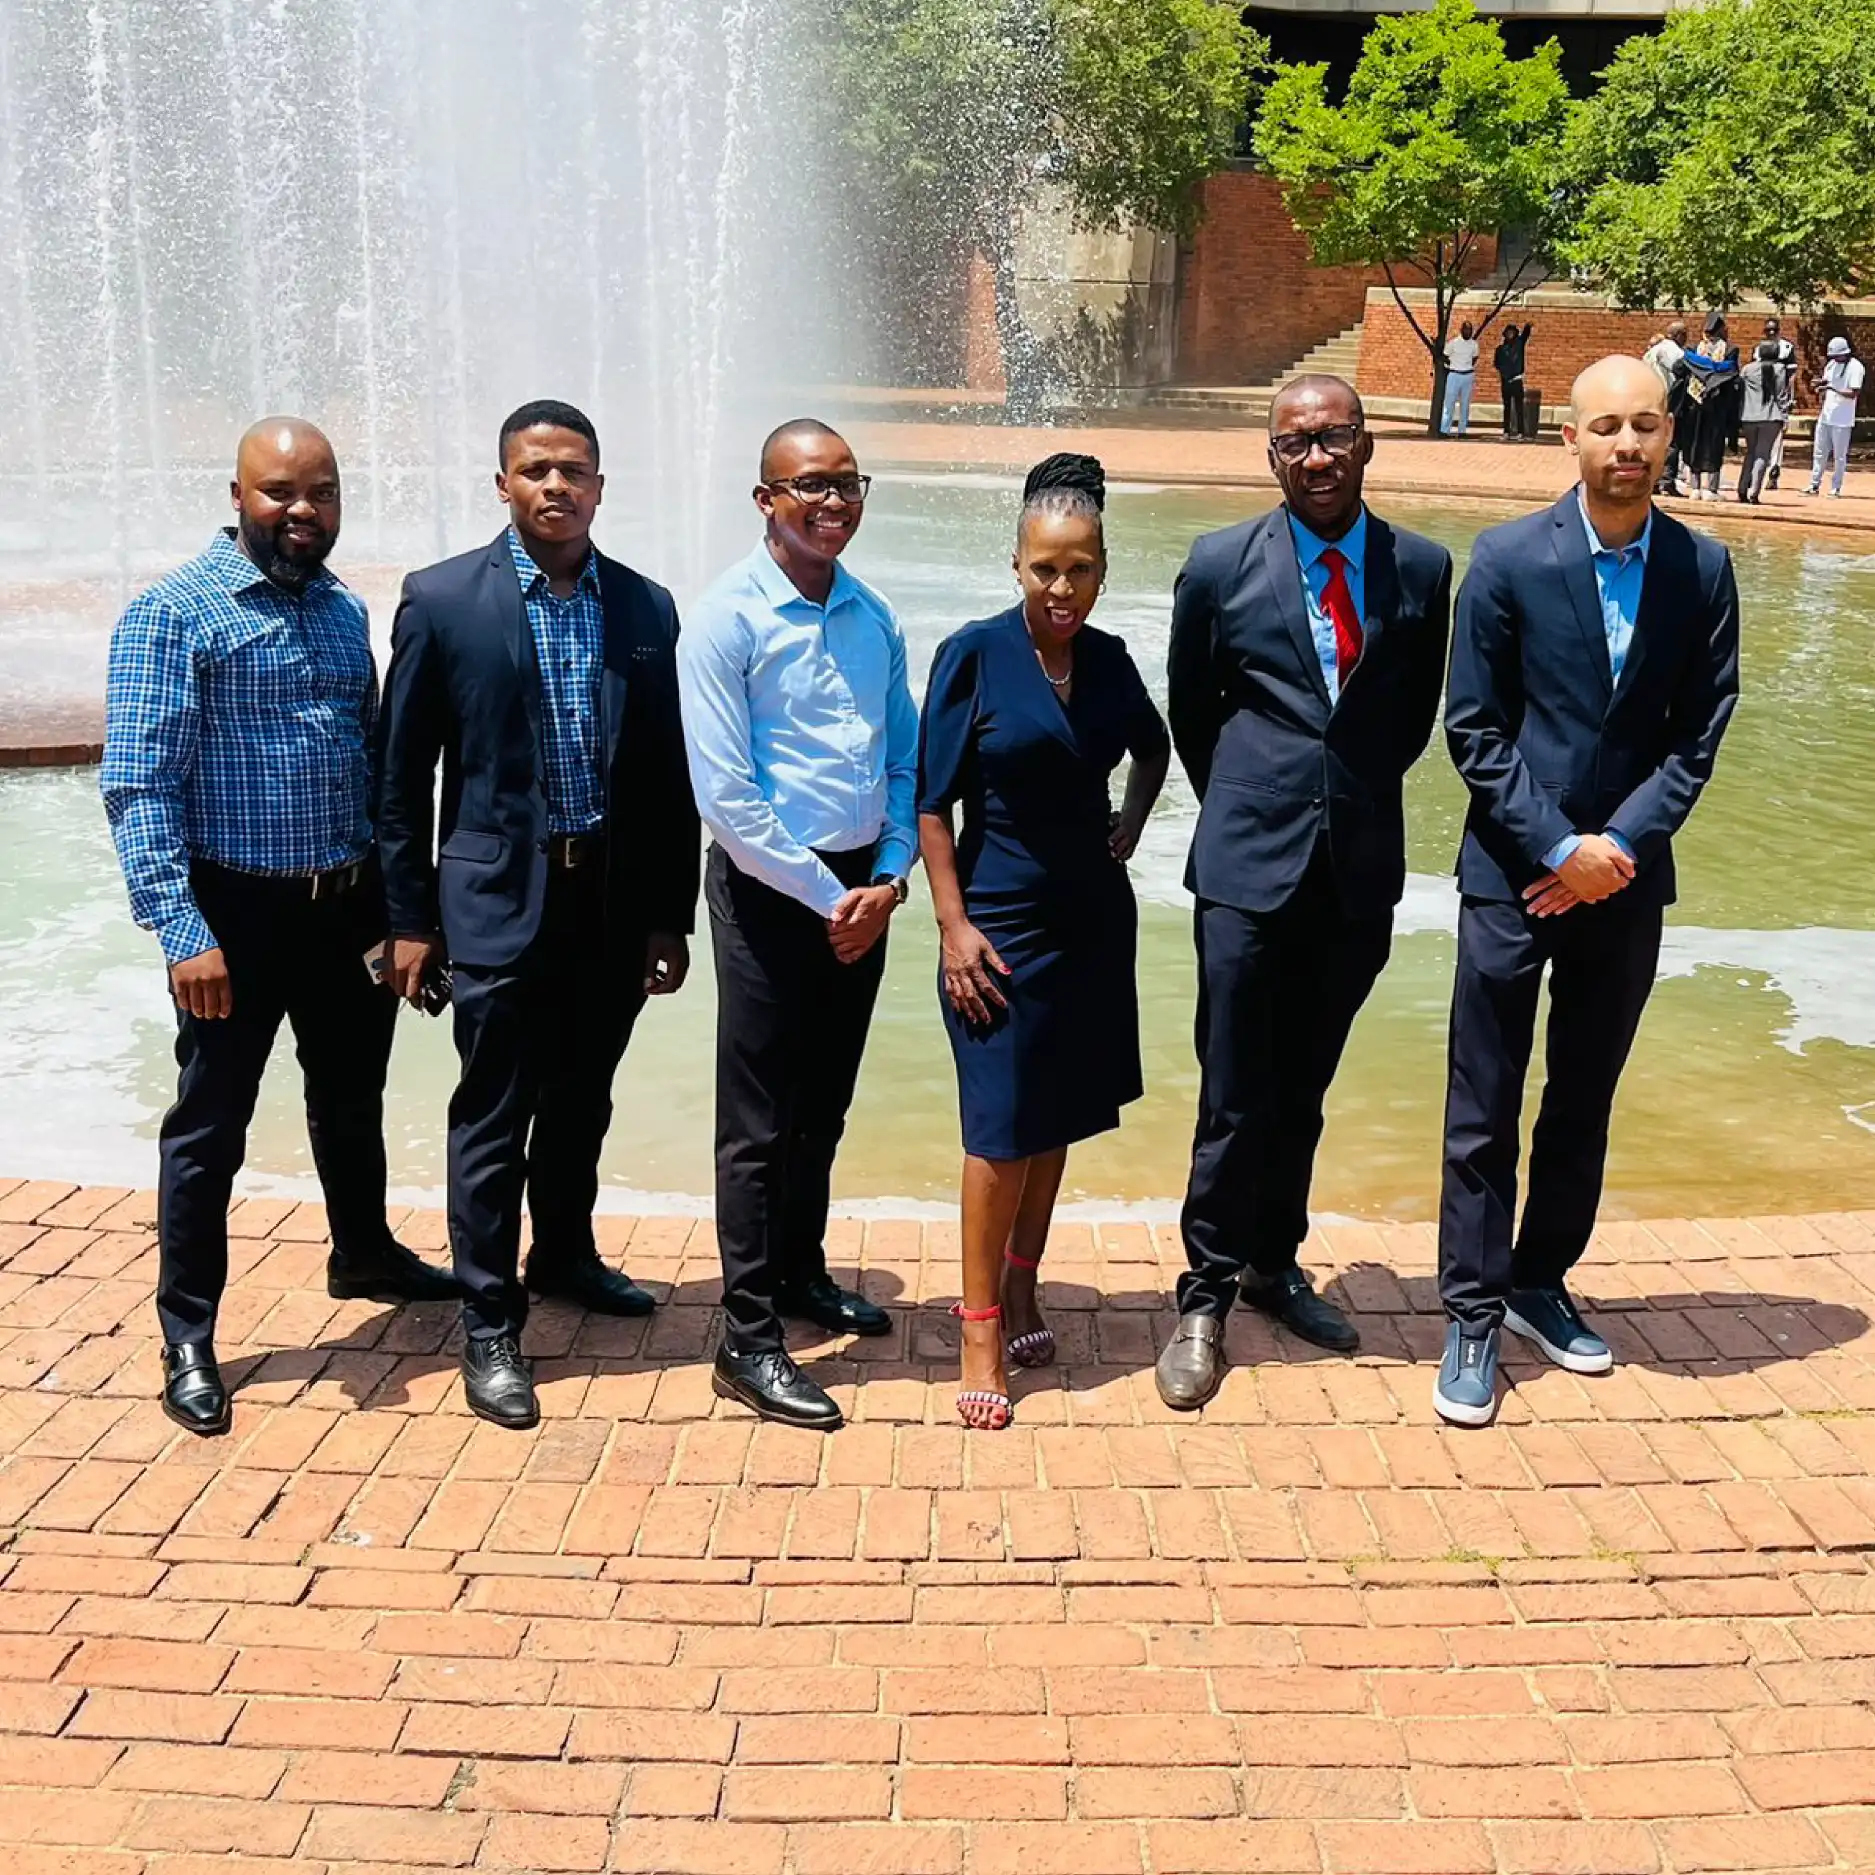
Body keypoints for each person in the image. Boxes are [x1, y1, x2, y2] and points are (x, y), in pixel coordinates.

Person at [101, 419, 456, 1437]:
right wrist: (181, 930)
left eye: (323, 493)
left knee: (352, 1096)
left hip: (342, 906)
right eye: (280, 493)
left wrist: (398, 916)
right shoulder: (174, 615)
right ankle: (188, 1331)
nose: (304, 512)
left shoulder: (344, 610)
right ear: (238, 494)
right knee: (210, 1125)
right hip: (234, 914)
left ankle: (363, 1252)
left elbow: (373, 774)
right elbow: (138, 787)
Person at [376, 400, 698, 1431]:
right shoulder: (443, 601)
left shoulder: (646, 609)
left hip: (605, 901)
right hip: (492, 903)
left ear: (601, 486)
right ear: (503, 484)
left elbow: (665, 778)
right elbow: (400, 780)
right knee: (493, 1109)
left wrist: (666, 916)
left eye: (576, 470)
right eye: (536, 469)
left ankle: (564, 1254)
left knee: (583, 1097)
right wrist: (410, 919)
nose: (557, 486)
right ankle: (487, 1316)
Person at [1434, 355, 1739, 1427]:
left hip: (1627, 883)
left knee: (1582, 1096)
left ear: (1668, 437)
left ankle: (1535, 1283)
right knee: (1484, 1104)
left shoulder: (1703, 571)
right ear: (1568, 436)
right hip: (1512, 878)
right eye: (1606, 424)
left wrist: (1617, 848)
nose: (1627, 443)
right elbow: (1472, 728)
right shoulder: (1509, 558)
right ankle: (1470, 1312)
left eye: (1645, 426)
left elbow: (1700, 733)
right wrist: (1558, 848)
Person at [1155, 377, 1453, 1411]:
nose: (1317, 459)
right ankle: (1202, 1298)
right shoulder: (1219, 565)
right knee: (1234, 1087)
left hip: (1357, 866)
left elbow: (1408, 719)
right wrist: (1257, 797)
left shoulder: (1421, 567)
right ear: (1270, 457)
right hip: (1244, 863)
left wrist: (1344, 799)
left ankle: (1274, 1266)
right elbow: (1195, 712)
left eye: (1333, 439)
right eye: (1296, 444)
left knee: (1305, 1089)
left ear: (1367, 445)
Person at [918, 455, 1170, 1431]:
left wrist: (1134, 825)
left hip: (1091, 922)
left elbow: (1153, 747)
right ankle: (979, 1326)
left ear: (1103, 567)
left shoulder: (1107, 659)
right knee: (997, 1129)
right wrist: (951, 926)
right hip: (997, 922)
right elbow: (931, 802)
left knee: (1055, 1114)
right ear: (1015, 565)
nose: (1063, 590)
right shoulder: (973, 655)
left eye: (1082, 569)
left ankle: (1024, 1287)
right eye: (1044, 571)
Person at [679, 420, 917, 1431]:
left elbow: (906, 761)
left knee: (823, 1102)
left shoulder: (874, 616)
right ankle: (748, 1336)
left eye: (846, 485)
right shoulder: (727, 620)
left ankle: (802, 1271)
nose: (832, 503)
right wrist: (835, 900)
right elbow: (727, 800)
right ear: (766, 500)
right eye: (808, 486)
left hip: (865, 892)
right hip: (773, 896)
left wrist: (893, 878)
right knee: (759, 1123)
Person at [1683, 314, 1740, 501]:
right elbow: (1728, 371)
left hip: (1695, 402)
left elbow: (1685, 368)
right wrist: (1715, 369)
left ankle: (1696, 487)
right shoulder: (1730, 350)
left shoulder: (1692, 352)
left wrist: (1704, 368)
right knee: (1712, 444)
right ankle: (1710, 490)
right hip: (1715, 405)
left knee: (1696, 444)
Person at [1735, 339, 1794, 505]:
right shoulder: (1779, 369)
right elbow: (1781, 396)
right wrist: (1785, 417)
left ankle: (1742, 488)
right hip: (1771, 417)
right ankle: (1754, 491)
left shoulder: (1748, 369)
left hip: (1749, 416)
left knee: (1750, 453)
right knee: (1763, 454)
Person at [1808, 335, 1864, 498]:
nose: (1835, 359)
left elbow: (1853, 393)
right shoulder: (1832, 365)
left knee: (1839, 456)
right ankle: (1814, 484)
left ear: (1845, 353)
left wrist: (1832, 388)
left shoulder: (1856, 367)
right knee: (1819, 452)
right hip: (1826, 415)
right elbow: (1827, 380)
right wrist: (1819, 384)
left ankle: (1835, 487)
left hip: (1842, 419)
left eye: (1837, 356)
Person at [1645, 321, 1692, 495]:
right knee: (1671, 442)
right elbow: (1680, 370)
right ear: (1679, 335)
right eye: (1685, 335)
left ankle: (1654, 481)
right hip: (1670, 401)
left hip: (1650, 402)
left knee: (1652, 442)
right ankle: (1667, 481)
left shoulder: (1652, 351)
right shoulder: (1673, 351)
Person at [1760, 318, 1797, 488]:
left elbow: (1791, 377)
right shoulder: (1758, 349)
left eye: (1774, 330)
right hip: (1761, 399)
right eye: (1768, 330)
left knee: (1777, 438)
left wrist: (1791, 398)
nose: (1771, 333)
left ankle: (1774, 471)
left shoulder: (1786, 348)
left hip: (1779, 398)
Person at [1441, 321, 1479, 436]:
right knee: (1449, 403)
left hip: (1467, 375)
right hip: (1454, 374)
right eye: (1466, 329)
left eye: (1470, 330)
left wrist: (1466, 366)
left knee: (1465, 404)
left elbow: (1474, 358)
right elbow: (1445, 356)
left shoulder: (1474, 344)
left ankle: (1462, 430)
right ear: (1461, 330)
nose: (1468, 332)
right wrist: (1453, 365)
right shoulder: (1453, 343)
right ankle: (1444, 430)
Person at [1493, 321, 1530, 440]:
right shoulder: (1500, 349)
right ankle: (1506, 432)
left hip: (1517, 380)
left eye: (1512, 332)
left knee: (1519, 408)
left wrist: (1528, 326)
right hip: (1505, 381)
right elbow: (1497, 363)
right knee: (1507, 407)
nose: (1510, 335)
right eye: (1508, 333)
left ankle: (1520, 432)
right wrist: (1503, 374)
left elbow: (1525, 336)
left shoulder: (1519, 344)